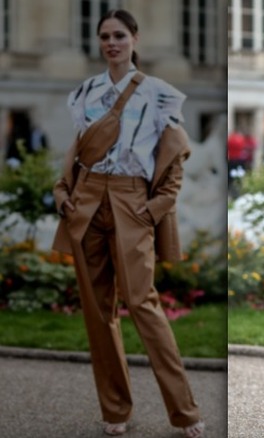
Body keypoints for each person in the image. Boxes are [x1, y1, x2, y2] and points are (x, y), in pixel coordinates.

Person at [51, 9, 204, 438]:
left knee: (142, 303)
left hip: (132, 200)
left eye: (119, 35)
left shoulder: (159, 94)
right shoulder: (84, 92)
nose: (111, 43)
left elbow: (175, 155)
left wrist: (157, 207)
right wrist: (62, 191)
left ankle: (185, 412)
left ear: (135, 38)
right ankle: (115, 411)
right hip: (86, 203)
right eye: (104, 36)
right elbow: (78, 149)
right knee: (98, 315)